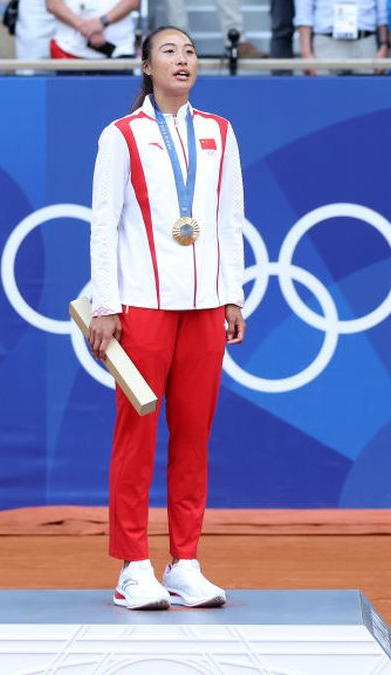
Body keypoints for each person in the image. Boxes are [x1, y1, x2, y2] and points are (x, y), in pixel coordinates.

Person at [86, 26, 246, 611]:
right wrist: (107, 303)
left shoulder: (220, 133)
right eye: (170, 52)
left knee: (194, 438)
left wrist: (233, 295)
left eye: (190, 51)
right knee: (136, 435)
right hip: (143, 308)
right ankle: (133, 564)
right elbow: (104, 223)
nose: (183, 59)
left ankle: (185, 562)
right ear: (146, 67)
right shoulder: (121, 136)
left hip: (205, 308)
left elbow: (231, 221)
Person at [295, 0, 390, 75]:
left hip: (365, 41)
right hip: (327, 42)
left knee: (367, 94)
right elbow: (304, 13)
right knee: (325, 94)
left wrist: (384, 46)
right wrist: (306, 53)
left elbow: (383, 13)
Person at [46, 0, 138, 61]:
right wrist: (85, 27)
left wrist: (101, 23)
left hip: (119, 50)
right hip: (69, 51)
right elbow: (53, 4)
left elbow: (133, 2)